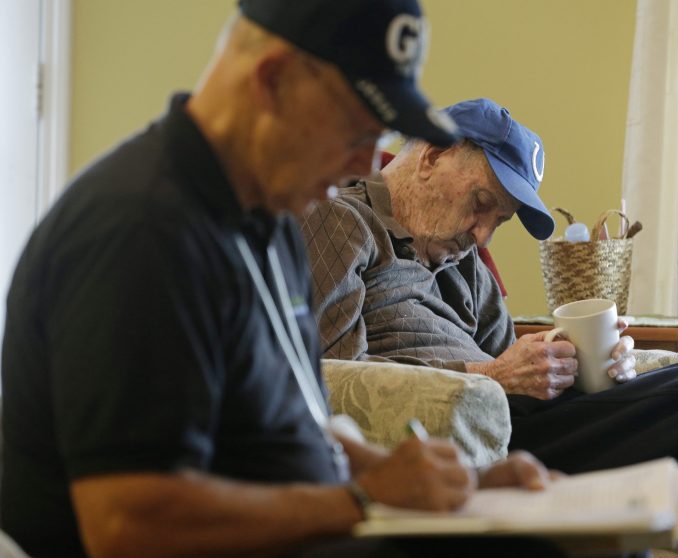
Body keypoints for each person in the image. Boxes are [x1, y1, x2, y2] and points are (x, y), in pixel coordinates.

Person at [0, 4, 570, 558]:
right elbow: (127, 526)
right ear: (273, 81)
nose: (366, 165)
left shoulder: (268, 220)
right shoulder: (143, 230)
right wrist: (363, 500)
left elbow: (301, 427)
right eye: (356, 132)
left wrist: (456, 483)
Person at [300, 97, 678, 558]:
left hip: (540, 421)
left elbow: (510, 360)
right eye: (481, 203)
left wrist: (586, 362)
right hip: (495, 441)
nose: (483, 235)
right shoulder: (342, 219)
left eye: (499, 221)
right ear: (433, 156)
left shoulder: (465, 263)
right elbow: (333, 367)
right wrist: (489, 376)